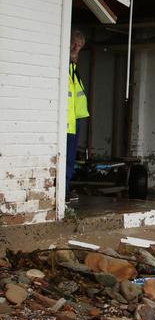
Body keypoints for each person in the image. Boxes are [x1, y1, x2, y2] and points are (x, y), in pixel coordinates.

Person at [67, 30, 89, 198]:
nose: (76, 48)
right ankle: (62, 192)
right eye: (74, 44)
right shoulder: (62, 68)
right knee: (66, 159)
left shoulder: (74, 70)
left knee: (70, 160)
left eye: (79, 46)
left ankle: (64, 190)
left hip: (74, 121)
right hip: (65, 122)